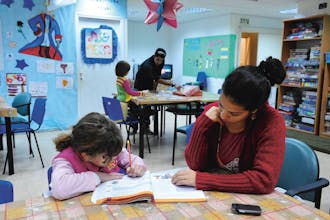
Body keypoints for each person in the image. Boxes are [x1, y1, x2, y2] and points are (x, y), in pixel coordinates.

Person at [172, 56, 287, 195]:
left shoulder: (271, 122)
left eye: (234, 113)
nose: (224, 115)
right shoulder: (213, 111)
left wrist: (203, 180)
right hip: (215, 193)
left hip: (248, 196)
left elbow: (263, 180)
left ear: (254, 111)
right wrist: (201, 125)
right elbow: (195, 165)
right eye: (221, 104)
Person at [50, 112, 147, 200]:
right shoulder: (65, 160)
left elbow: (128, 157)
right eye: (106, 157)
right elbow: (59, 189)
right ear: (86, 155)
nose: (113, 157)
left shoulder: (108, 147)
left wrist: (137, 165)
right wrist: (98, 177)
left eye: (114, 154)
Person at [134, 48, 179, 134]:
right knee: (145, 108)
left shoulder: (161, 62)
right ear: (154, 56)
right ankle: (143, 128)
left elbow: (156, 79)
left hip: (149, 85)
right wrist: (172, 84)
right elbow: (157, 78)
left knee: (148, 107)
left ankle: (145, 126)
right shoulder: (147, 66)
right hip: (140, 86)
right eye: (157, 60)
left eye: (161, 60)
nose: (159, 62)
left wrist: (154, 90)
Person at [116, 60, 146, 133]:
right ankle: (137, 126)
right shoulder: (124, 80)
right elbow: (130, 92)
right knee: (140, 111)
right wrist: (141, 93)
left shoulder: (118, 79)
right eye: (127, 70)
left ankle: (134, 126)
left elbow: (124, 90)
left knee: (135, 111)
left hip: (120, 99)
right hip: (127, 100)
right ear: (125, 71)